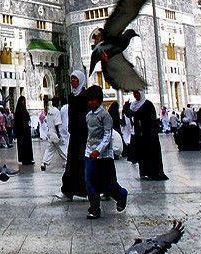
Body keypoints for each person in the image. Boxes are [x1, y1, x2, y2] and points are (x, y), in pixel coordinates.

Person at [84, 85, 127, 219]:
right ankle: (94, 208)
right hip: (90, 154)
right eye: (89, 100)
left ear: (99, 100)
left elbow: (108, 135)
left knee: (108, 184)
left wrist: (99, 150)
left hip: (104, 156)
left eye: (94, 100)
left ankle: (121, 195)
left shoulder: (105, 115)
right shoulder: (88, 116)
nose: (91, 103)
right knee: (89, 181)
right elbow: (90, 135)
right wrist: (89, 150)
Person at [60, 70, 89, 200]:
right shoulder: (71, 96)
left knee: (84, 162)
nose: (72, 81)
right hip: (75, 135)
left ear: (81, 80)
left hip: (84, 134)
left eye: (75, 79)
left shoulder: (85, 95)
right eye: (71, 79)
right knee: (72, 164)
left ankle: (86, 190)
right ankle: (69, 191)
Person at [129, 90, 166, 180]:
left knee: (150, 153)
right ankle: (143, 172)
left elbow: (153, 118)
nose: (136, 95)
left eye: (137, 93)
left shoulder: (148, 104)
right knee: (142, 154)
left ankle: (153, 173)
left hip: (149, 133)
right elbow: (130, 116)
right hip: (139, 133)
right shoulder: (133, 105)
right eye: (134, 93)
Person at [40, 99, 65, 171]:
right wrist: (59, 134)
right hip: (55, 133)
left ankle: (44, 162)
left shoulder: (49, 111)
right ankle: (67, 160)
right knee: (62, 148)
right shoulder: (57, 111)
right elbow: (57, 124)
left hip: (50, 133)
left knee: (49, 149)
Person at [14, 95, 33, 165]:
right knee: (24, 145)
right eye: (23, 101)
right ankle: (25, 160)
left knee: (26, 145)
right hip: (23, 131)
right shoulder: (20, 110)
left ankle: (28, 159)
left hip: (24, 131)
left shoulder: (20, 110)